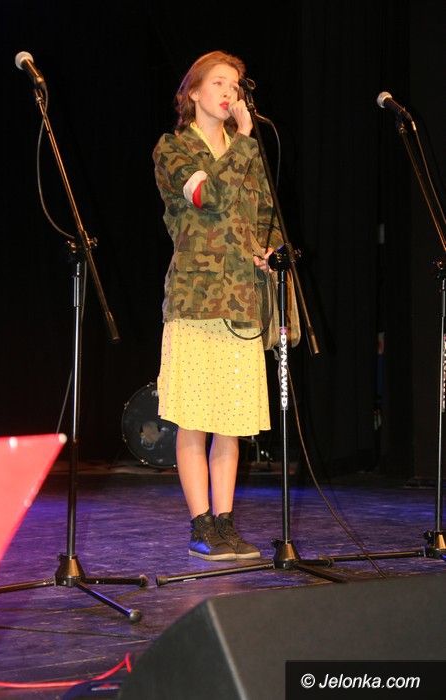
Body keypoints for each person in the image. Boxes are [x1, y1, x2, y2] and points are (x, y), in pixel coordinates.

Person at [152, 50, 283, 561]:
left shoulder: (246, 150)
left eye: (235, 85)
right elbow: (209, 197)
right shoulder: (174, 148)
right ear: (193, 93)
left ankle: (225, 524)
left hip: (243, 299)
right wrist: (244, 141)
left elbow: (266, 213)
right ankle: (201, 524)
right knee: (195, 417)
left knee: (231, 419)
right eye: (219, 83)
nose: (230, 93)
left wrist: (269, 249)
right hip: (196, 300)